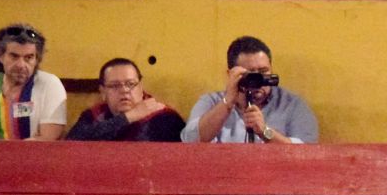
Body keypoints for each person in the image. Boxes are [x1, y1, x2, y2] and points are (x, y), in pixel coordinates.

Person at [181, 36, 318, 144]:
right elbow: (190, 140)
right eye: (250, 73)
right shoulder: (211, 102)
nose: (258, 80)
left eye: (263, 71)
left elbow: (306, 152)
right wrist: (227, 102)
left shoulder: (292, 105)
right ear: (231, 74)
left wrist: (265, 132)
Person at [0, 23, 66, 140]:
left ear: (37, 59)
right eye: (14, 56)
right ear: (0, 56)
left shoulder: (50, 85)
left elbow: (47, 140)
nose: (21, 65)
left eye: (29, 57)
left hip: (34, 156)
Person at [66, 58, 185, 142]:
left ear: (140, 87)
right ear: (103, 92)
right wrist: (128, 118)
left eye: (130, 84)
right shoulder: (94, 115)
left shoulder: (163, 117)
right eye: (114, 85)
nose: (124, 90)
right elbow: (71, 144)